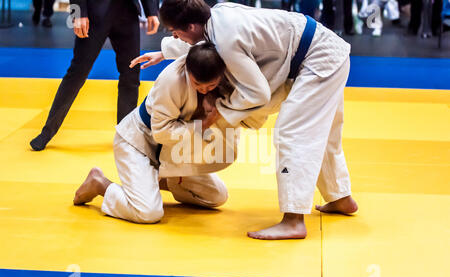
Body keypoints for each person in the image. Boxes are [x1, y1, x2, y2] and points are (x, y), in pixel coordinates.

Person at [130, 0, 358, 240]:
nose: (176, 37)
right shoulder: (217, 16)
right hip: (324, 49)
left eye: (176, 33)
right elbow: (207, 45)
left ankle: (294, 220)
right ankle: (340, 197)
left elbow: (258, 93)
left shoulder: (225, 39)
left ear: (191, 26)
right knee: (326, 132)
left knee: (293, 133)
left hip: (318, 59)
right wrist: (164, 52)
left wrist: (222, 112)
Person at [73, 43, 240, 224]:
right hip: (139, 143)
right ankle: (100, 184)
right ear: (188, 70)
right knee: (148, 213)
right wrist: (206, 123)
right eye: (197, 83)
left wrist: (164, 52)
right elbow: (161, 133)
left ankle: (154, 182)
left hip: (172, 152)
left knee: (216, 196)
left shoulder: (227, 77)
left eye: (211, 85)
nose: (204, 89)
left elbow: (197, 42)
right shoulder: (171, 81)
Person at [29, 0, 160, 151]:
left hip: (127, 13)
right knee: (77, 73)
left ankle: (126, 135)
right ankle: (47, 132)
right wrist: (78, 14)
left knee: (131, 76)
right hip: (92, 15)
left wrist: (151, 11)